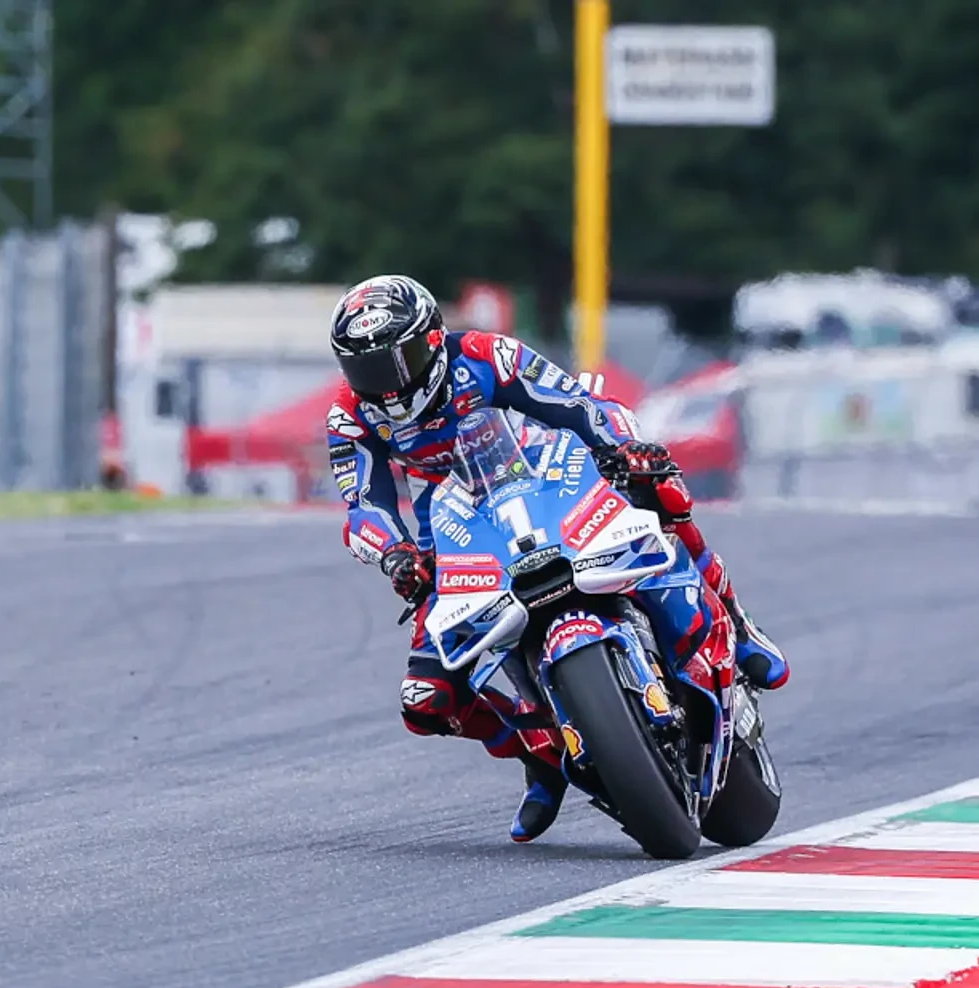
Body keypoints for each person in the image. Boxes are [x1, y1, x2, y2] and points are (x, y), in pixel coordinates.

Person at [324, 274, 789, 843]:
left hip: (544, 478)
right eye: (369, 370)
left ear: (435, 337)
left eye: (403, 360)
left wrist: (621, 448)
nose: (390, 386)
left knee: (659, 491)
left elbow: (574, 403)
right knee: (426, 700)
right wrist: (396, 555)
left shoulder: (487, 355)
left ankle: (737, 627)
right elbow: (362, 506)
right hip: (452, 531)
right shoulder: (351, 417)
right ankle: (540, 753)